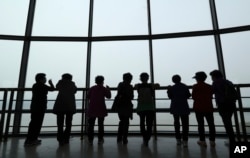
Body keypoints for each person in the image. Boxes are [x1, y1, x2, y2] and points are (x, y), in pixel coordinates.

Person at [24, 73, 55, 146]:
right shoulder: (42, 86)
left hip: (34, 106)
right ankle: (32, 139)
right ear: (41, 79)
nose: (45, 79)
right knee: (37, 124)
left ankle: (30, 139)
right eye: (44, 78)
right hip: (40, 107)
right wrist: (51, 83)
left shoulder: (35, 85)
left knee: (33, 123)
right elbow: (52, 89)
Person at [209, 70, 237, 145]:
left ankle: (232, 140)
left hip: (222, 104)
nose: (211, 78)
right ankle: (232, 139)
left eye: (212, 76)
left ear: (214, 76)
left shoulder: (216, 82)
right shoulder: (228, 82)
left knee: (227, 123)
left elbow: (211, 92)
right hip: (231, 104)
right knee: (228, 121)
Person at [192, 71, 216, 147]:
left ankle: (202, 140)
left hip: (198, 108)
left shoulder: (195, 86)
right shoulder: (209, 86)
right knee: (211, 124)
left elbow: (193, 97)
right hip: (208, 107)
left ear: (197, 79)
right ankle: (212, 141)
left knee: (201, 124)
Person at [135, 72, 159, 146]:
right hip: (150, 107)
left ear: (140, 78)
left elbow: (134, 86)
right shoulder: (151, 85)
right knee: (149, 124)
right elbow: (158, 85)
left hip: (141, 107)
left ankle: (144, 136)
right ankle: (147, 138)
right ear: (148, 78)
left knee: (142, 123)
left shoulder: (138, 86)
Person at [53, 73, 77, 146]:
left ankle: (60, 139)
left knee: (60, 123)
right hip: (69, 106)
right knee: (68, 123)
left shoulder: (60, 83)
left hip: (60, 106)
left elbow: (57, 87)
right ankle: (66, 138)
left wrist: (61, 81)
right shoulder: (72, 84)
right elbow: (75, 91)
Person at [167, 74, 191, 147]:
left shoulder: (172, 88)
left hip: (175, 107)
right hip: (184, 107)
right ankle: (185, 140)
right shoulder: (184, 86)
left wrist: (168, 90)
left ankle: (178, 140)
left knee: (176, 124)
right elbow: (188, 95)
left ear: (173, 80)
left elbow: (170, 96)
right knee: (185, 125)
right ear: (180, 79)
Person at [87, 75, 111, 145]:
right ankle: (100, 139)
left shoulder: (92, 88)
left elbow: (88, 96)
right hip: (101, 108)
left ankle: (90, 139)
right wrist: (108, 90)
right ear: (103, 81)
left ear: (96, 81)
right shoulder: (103, 89)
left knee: (91, 125)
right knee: (101, 124)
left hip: (92, 109)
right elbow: (109, 96)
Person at [115, 73, 134, 144]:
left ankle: (119, 137)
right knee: (126, 122)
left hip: (120, 105)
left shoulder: (120, 85)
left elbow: (119, 93)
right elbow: (132, 97)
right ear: (130, 79)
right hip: (127, 106)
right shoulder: (130, 87)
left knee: (122, 121)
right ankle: (124, 138)